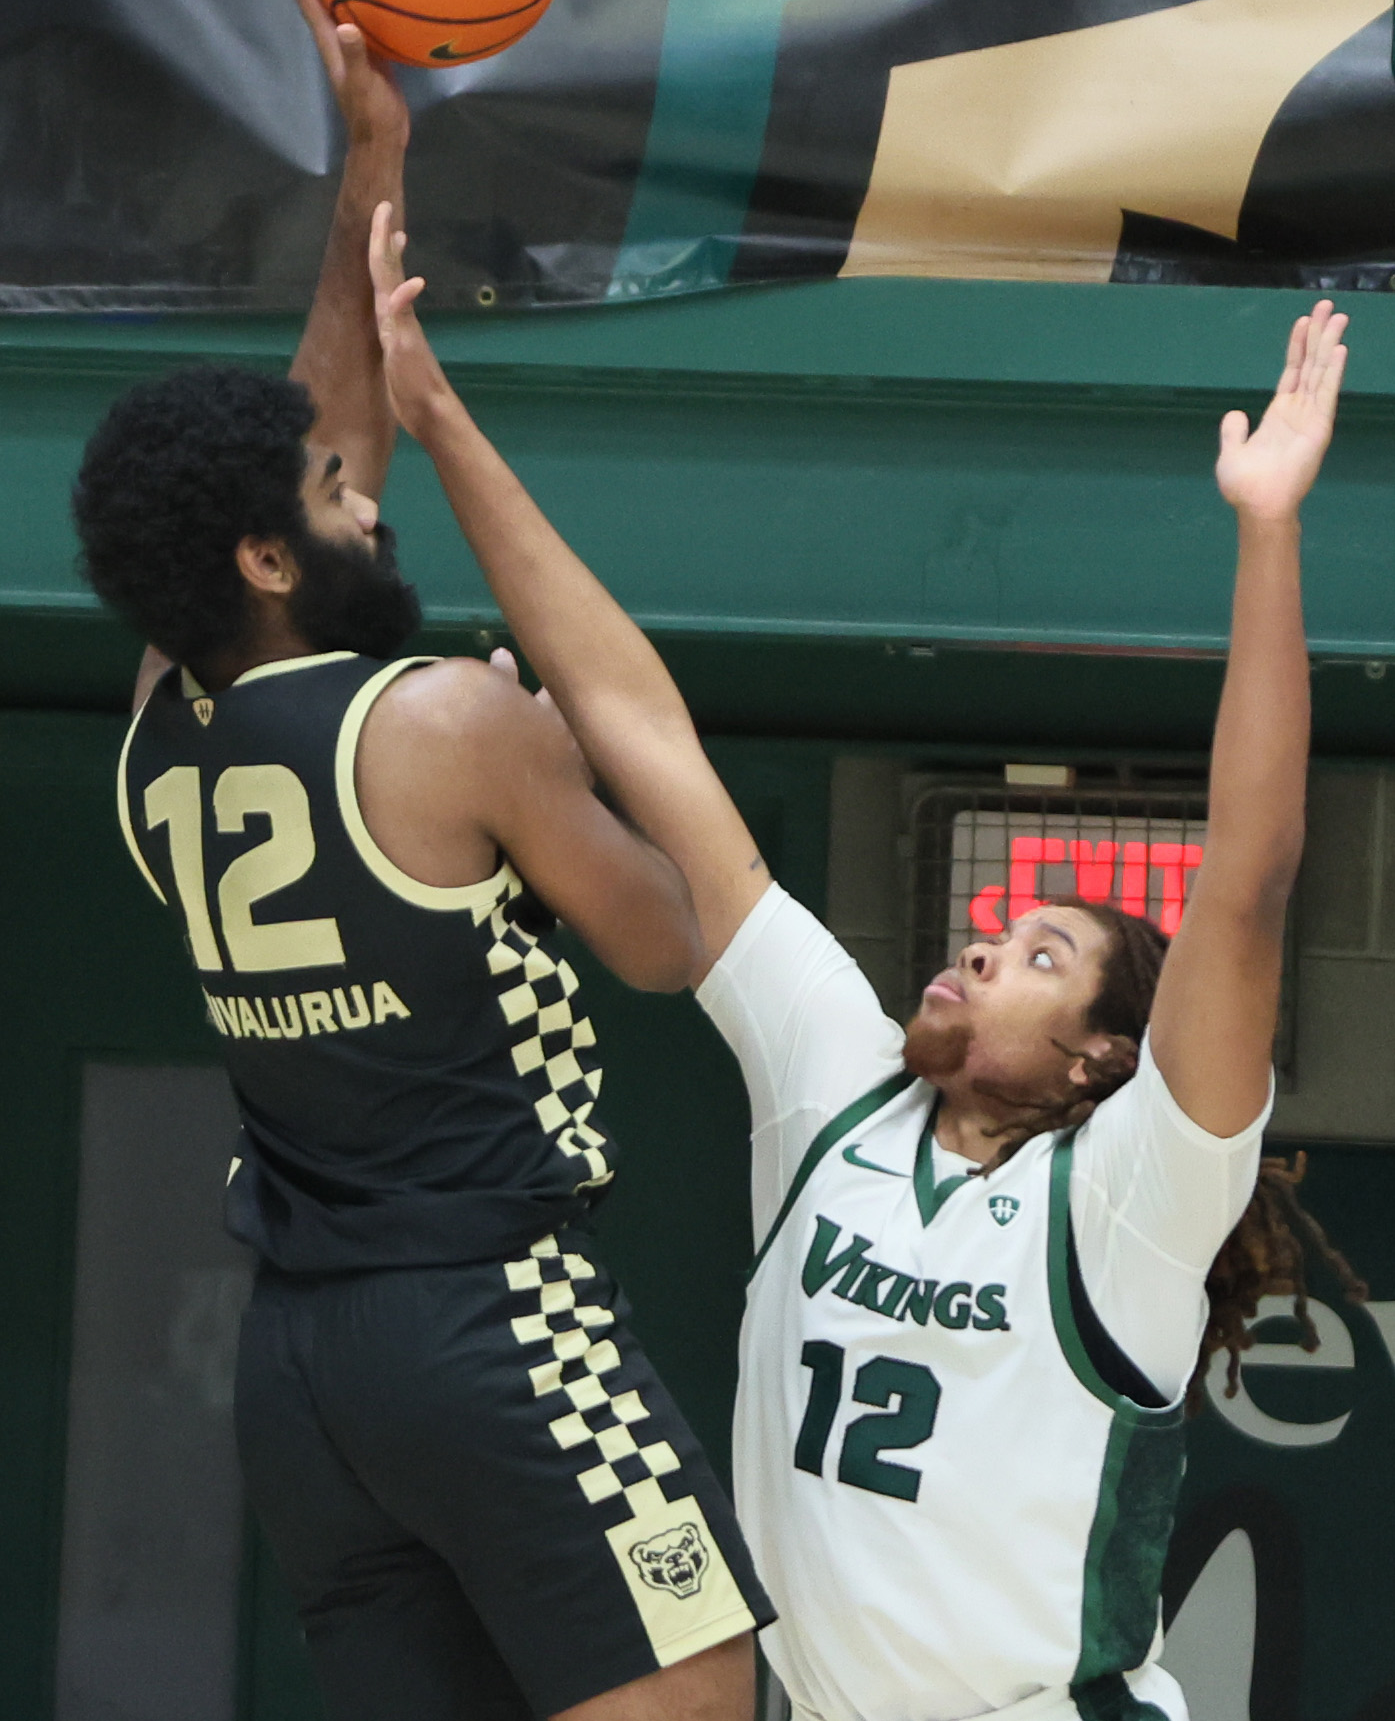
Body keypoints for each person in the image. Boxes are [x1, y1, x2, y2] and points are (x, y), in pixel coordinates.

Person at [365, 204, 1363, 1721]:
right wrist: (435, 417)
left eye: (1041, 952)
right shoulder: (834, 1076)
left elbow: (1246, 884)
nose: (980, 943)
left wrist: (1269, 531)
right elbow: (639, 722)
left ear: (1103, 1056)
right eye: (996, 927)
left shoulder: (1133, 1198)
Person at [71, 0, 771, 1721]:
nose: (361, 504)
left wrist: (371, 158)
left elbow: (306, 420)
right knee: (697, 1695)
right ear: (262, 555)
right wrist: (563, 745)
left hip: (304, 1367)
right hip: (493, 1321)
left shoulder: (162, 734)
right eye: (327, 501)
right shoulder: (446, 720)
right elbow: (678, 933)